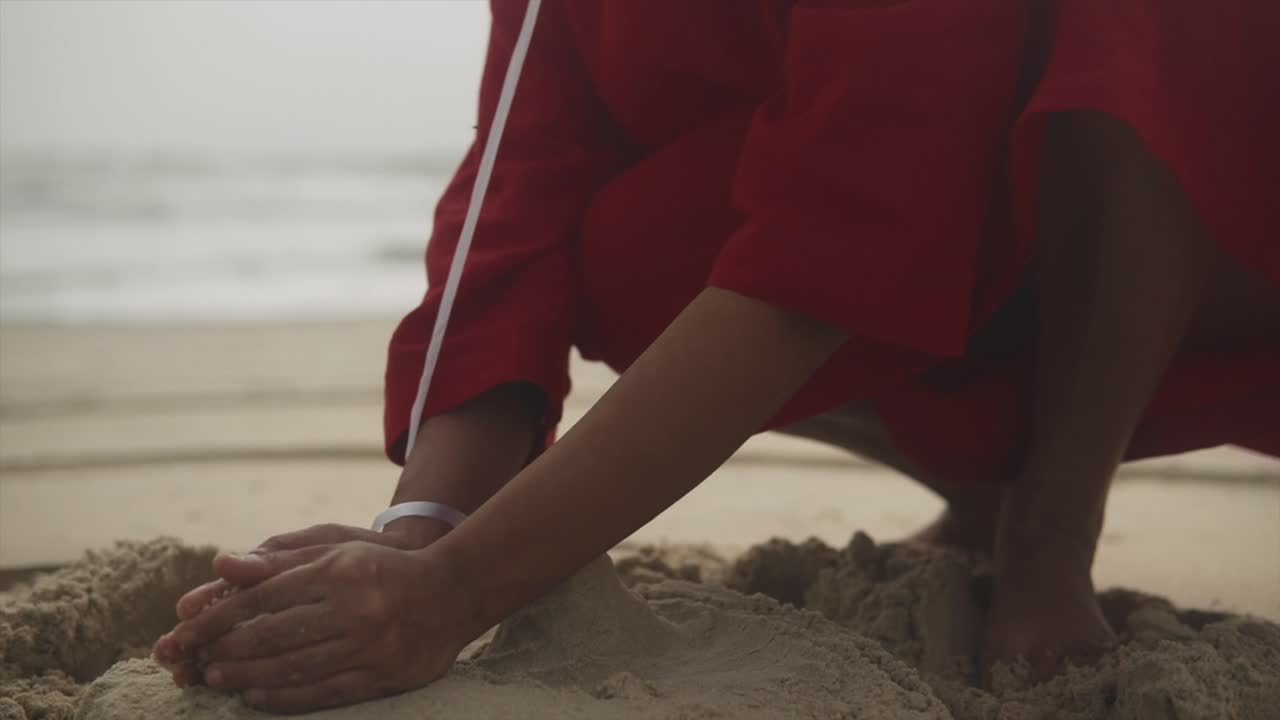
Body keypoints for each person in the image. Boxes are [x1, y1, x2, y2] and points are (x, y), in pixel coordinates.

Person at [153, 0, 1279, 713]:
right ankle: (980, 496)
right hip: (970, 224)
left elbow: (845, 227)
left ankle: (1047, 524)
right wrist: (423, 529)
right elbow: (514, 203)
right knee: (619, 243)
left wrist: (458, 590)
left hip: (1215, 226)